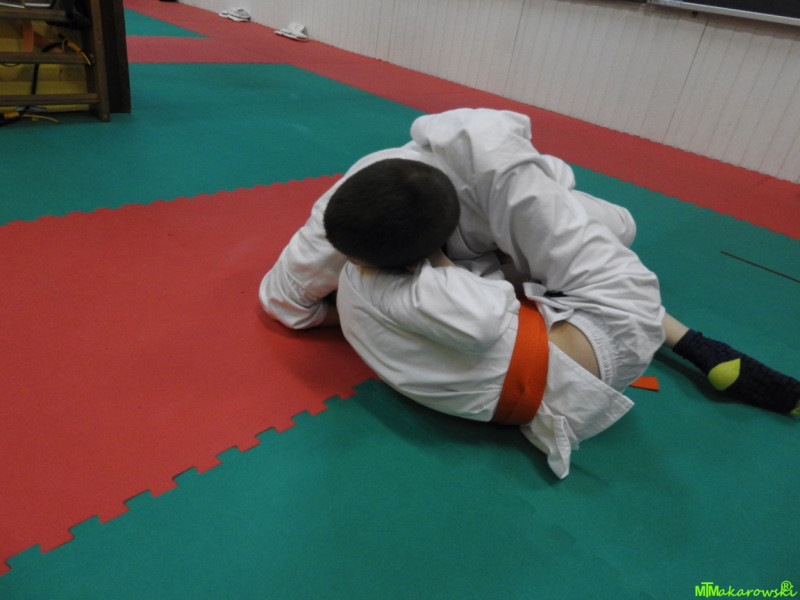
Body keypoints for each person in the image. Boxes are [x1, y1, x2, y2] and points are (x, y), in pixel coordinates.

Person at [260, 108, 800, 420]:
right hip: (494, 256)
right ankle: (690, 344)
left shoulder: (513, 184)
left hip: (610, 302)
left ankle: (693, 342)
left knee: (621, 227)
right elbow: (284, 301)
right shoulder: (338, 214)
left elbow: (484, 317)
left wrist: (374, 302)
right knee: (510, 270)